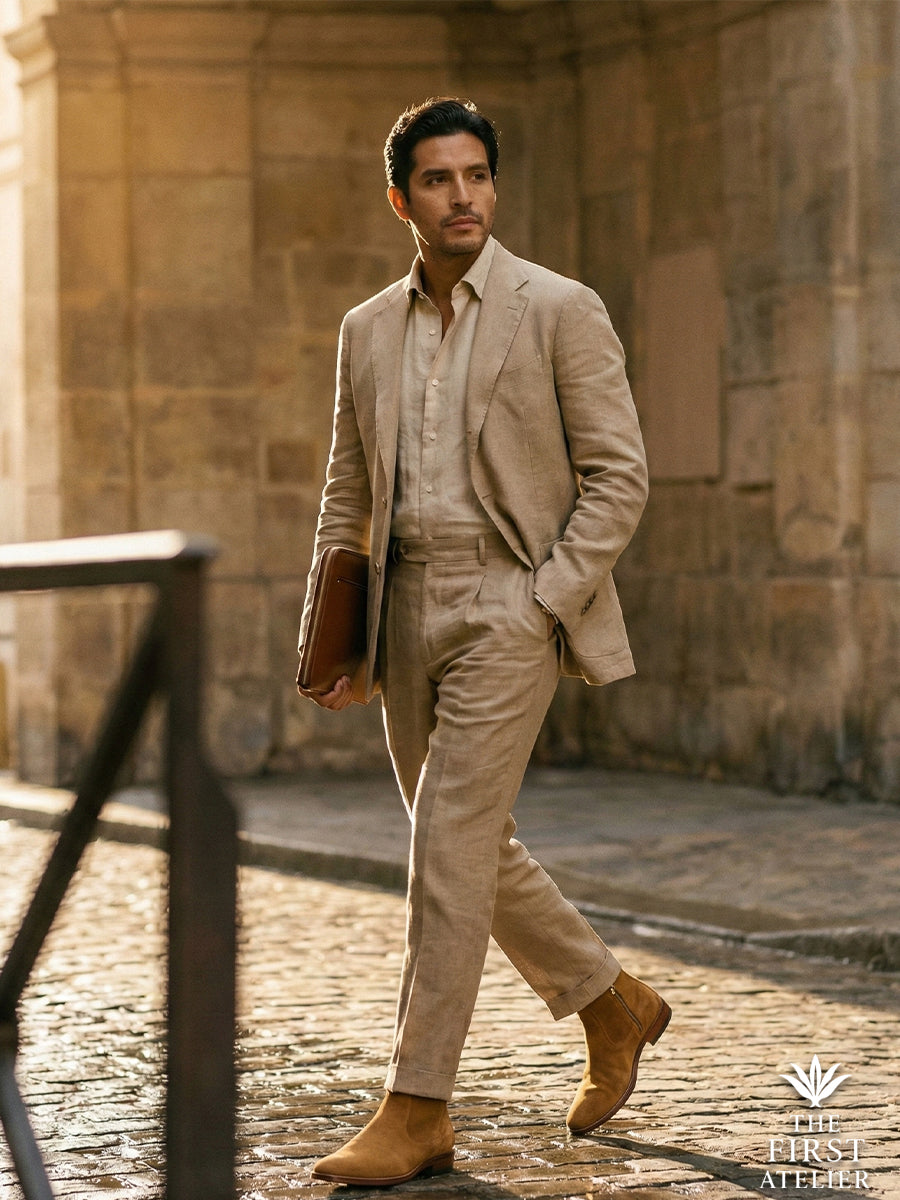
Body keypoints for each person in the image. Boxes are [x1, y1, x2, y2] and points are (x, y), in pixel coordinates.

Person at [297, 97, 670, 1188]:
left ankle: (418, 1106)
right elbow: (346, 490)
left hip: (509, 602)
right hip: (401, 609)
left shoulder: (557, 307)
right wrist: (331, 635)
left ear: (493, 187)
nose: (462, 196)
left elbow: (619, 476)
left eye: (477, 176)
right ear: (401, 200)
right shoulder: (366, 329)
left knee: (447, 843)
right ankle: (612, 1003)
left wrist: (543, 599)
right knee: (464, 845)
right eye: (439, 180)